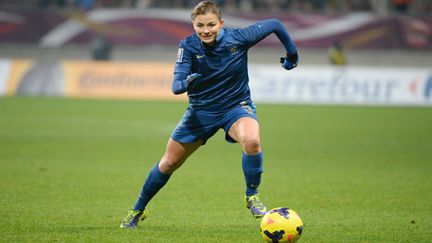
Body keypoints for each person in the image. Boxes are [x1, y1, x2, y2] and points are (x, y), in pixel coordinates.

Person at [120, 0, 298, 229]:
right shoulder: (188, 46)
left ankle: (251, 195)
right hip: (201, 112)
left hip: (235, 106)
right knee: (168, 163)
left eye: (211, 25)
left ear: (221, 23)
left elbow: (275, 24)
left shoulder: (238, 38)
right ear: (193, 25)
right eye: (200, 26)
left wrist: (292, 55)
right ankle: (137, 210)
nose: (206, 30)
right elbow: (175, 85)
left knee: (252, 140)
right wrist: (186, 83)